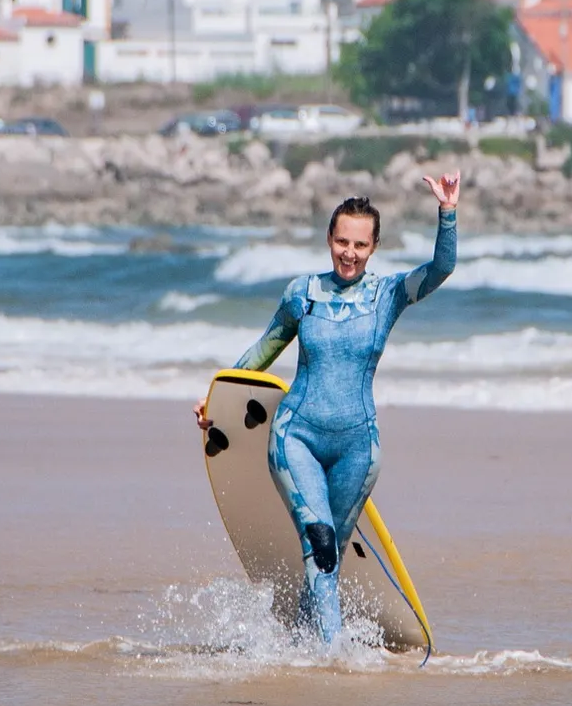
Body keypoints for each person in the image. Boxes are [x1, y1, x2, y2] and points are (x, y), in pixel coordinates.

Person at [195, 172, 460, 644]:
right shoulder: (302, 294)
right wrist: (222, 397)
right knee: (319, 545)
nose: (349, 253)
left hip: (359, 448)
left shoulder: (387, 295)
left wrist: (447, 213)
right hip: (296, 438)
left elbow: (441, 269)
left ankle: (300, 639)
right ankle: (333, 657)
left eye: (360, 244)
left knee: (328, 554)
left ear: (374, 247)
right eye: (341, 241)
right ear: (329, 240)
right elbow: (264, 350)